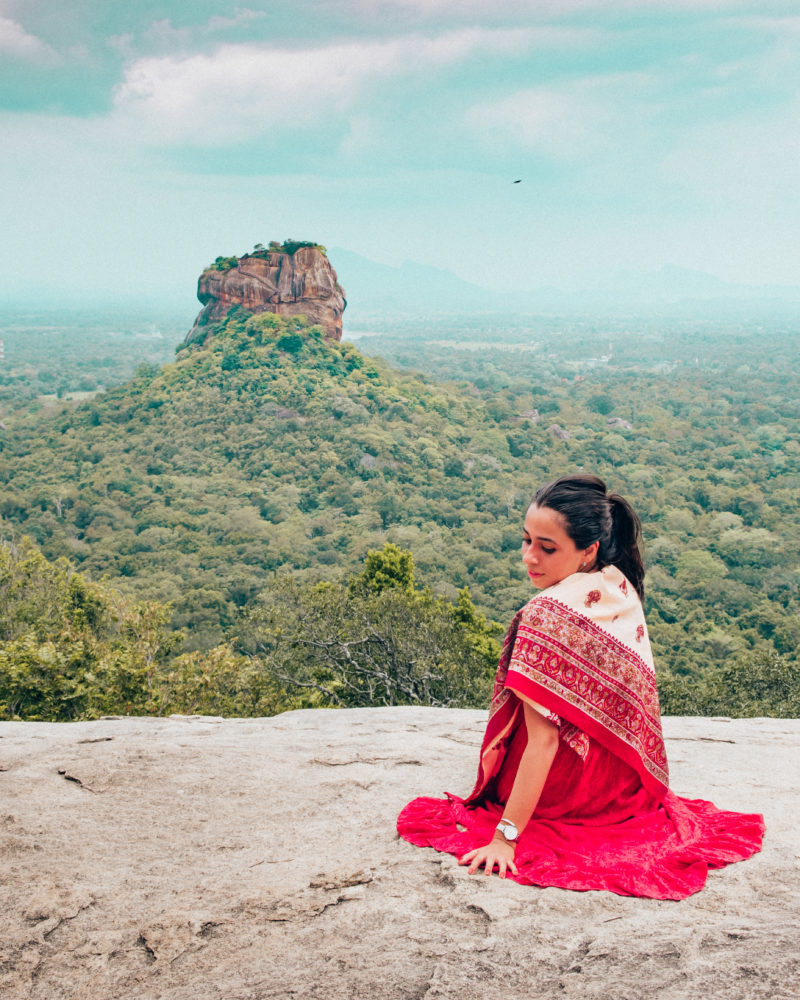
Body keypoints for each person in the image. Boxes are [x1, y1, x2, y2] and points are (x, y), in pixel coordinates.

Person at [397, 474, 765, 899]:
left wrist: (505, 838)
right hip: (621, 789)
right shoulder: (617, 585)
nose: (528, 557)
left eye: (546, 548)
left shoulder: (546, 615)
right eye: (526, 540)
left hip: (567, 792)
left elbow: (544, 741)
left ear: (588, 550)